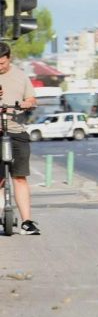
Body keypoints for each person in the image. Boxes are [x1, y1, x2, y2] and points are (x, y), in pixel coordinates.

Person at [0, 41, 40, 235]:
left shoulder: (21, 76)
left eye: (2, 63)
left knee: (20, 177)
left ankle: (27, 222)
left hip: (16, 131)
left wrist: (27, 103)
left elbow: (32, 99)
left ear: (9, 59)